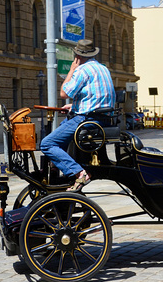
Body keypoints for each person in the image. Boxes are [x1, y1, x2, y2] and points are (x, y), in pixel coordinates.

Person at [39, 39, 115, 192]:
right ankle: (60, 169)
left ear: (77, 56)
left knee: (47, 144)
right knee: (61, 129)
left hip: (87, 119)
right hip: (104, 119)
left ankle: (79, 173)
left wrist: (72, 69)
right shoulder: (102, 68)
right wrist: (73, 106)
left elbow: (64, 92)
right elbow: (95, 96)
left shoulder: (82, 70)